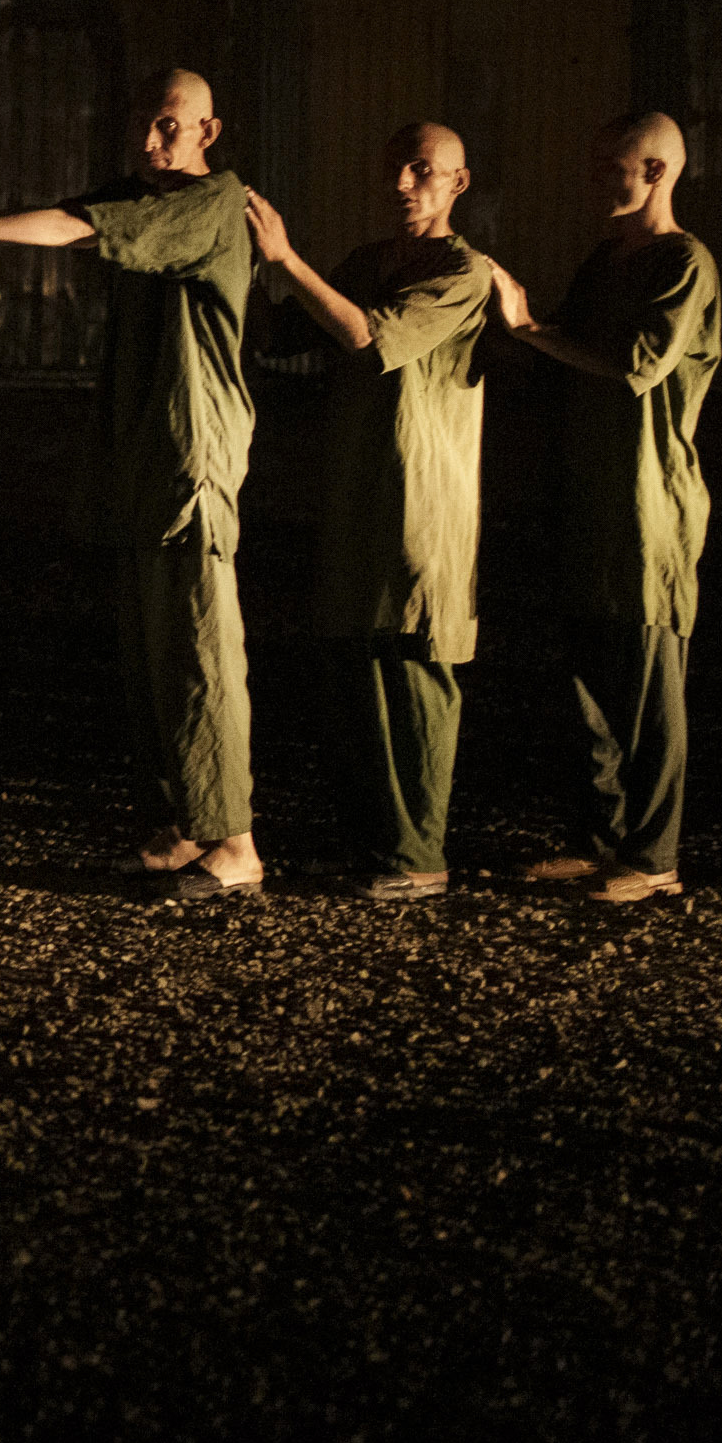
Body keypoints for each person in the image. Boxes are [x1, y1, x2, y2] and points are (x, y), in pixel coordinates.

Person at [0, 69, 270, 895]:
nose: (148, 140)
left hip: (191, 457)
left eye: (168, 125)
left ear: (209, 132)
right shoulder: (148, 197)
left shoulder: (210, 201)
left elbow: (87, 226)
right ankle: (184, 822)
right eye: (143, 122)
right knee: (152, 654)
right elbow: (80, 218)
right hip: (147, 459)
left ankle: (234, 841)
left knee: (202, 651)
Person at [252, 127, 508, 904]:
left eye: (422, 170)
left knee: (414, 668)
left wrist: (285, 260)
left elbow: (366, 337)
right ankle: (375, 842)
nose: (402, 181)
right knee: (356, 667)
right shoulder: (369, 261)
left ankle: (418, 851)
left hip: (422, 501)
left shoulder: (464, 270)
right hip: (359, 496)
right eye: (395, 166)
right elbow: (287, 333)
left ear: (459, 182)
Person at [496, 113, 722, 903]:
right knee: (588, 679)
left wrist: (530, 328)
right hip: (590, 497)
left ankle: (655, 854)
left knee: (650, 680)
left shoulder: (684, 261)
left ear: (657, 171)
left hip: (647, 502)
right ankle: (602, 838)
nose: (599, 180)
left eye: (613, 167)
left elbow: (637, 362)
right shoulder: (608, 258)